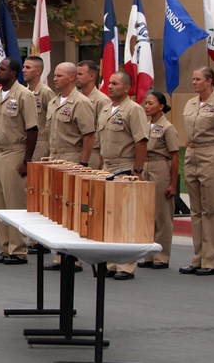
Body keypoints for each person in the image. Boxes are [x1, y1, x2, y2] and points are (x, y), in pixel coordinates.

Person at [44, 61, 95, 272]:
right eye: (55, 75)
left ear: (72, 77)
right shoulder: (54, 102)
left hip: (72, 157)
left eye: (60, 76)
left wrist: (83, 163)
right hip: (55, 156)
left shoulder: (80, 102)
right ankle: (60, 255)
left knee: (72, 208)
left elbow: (89, 135)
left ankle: (74, 257)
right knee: (57, 208)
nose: (55, 79)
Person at [97, 70, 149, 280]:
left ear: (127, 88)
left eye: (115, 84)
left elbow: (141, 141)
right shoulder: (106, 109)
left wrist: (137, 169)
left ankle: (126, 265)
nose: (110, 87)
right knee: (110, 216)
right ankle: (112, 262)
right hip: (107, 166)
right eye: (109, 83)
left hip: (125, 166)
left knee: (125, 217)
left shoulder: (133, 110)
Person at [0, 57, 38, 265]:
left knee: (14, 202)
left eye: (2, 69)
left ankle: (18, 249)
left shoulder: (24, 95)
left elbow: (32, 128)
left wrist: (26, 159)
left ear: (13, 74)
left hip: (16, 151)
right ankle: (5, 246)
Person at [179, 67, 214, 277]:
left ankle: (211, 260)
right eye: (193, 79)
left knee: (213, 211)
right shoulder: (190, 104)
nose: (194, 82)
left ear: (209, 81)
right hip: (192, 154)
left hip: (211, 154)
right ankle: (197, 258)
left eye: (198, 79)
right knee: (196, 212)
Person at [137, 91, 179, 271]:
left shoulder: (167, 128)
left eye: (151, 103)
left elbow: (175, 157)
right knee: (147, 215)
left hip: (160, 167)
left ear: (161, 106)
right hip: (145, 167)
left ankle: (162, 256)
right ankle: (148, 255)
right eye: (145, 103)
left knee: (162, 215)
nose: (147, 106)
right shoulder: (144, 125)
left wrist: (173, 184)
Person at [24, 55, 55, 163]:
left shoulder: (45, 92)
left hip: (41, 143)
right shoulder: (24, 93)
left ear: (38, 71)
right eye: (24, 67)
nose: (23, 70)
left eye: (28, 68)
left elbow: (53, 119)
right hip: (25, 142)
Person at [76, 60, 107, 169]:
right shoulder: (77, 99)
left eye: (80, 74)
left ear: (91, 77)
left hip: (93, 153)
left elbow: (105, 132)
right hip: (77, 151)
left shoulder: (101, 100)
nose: (76, 77)